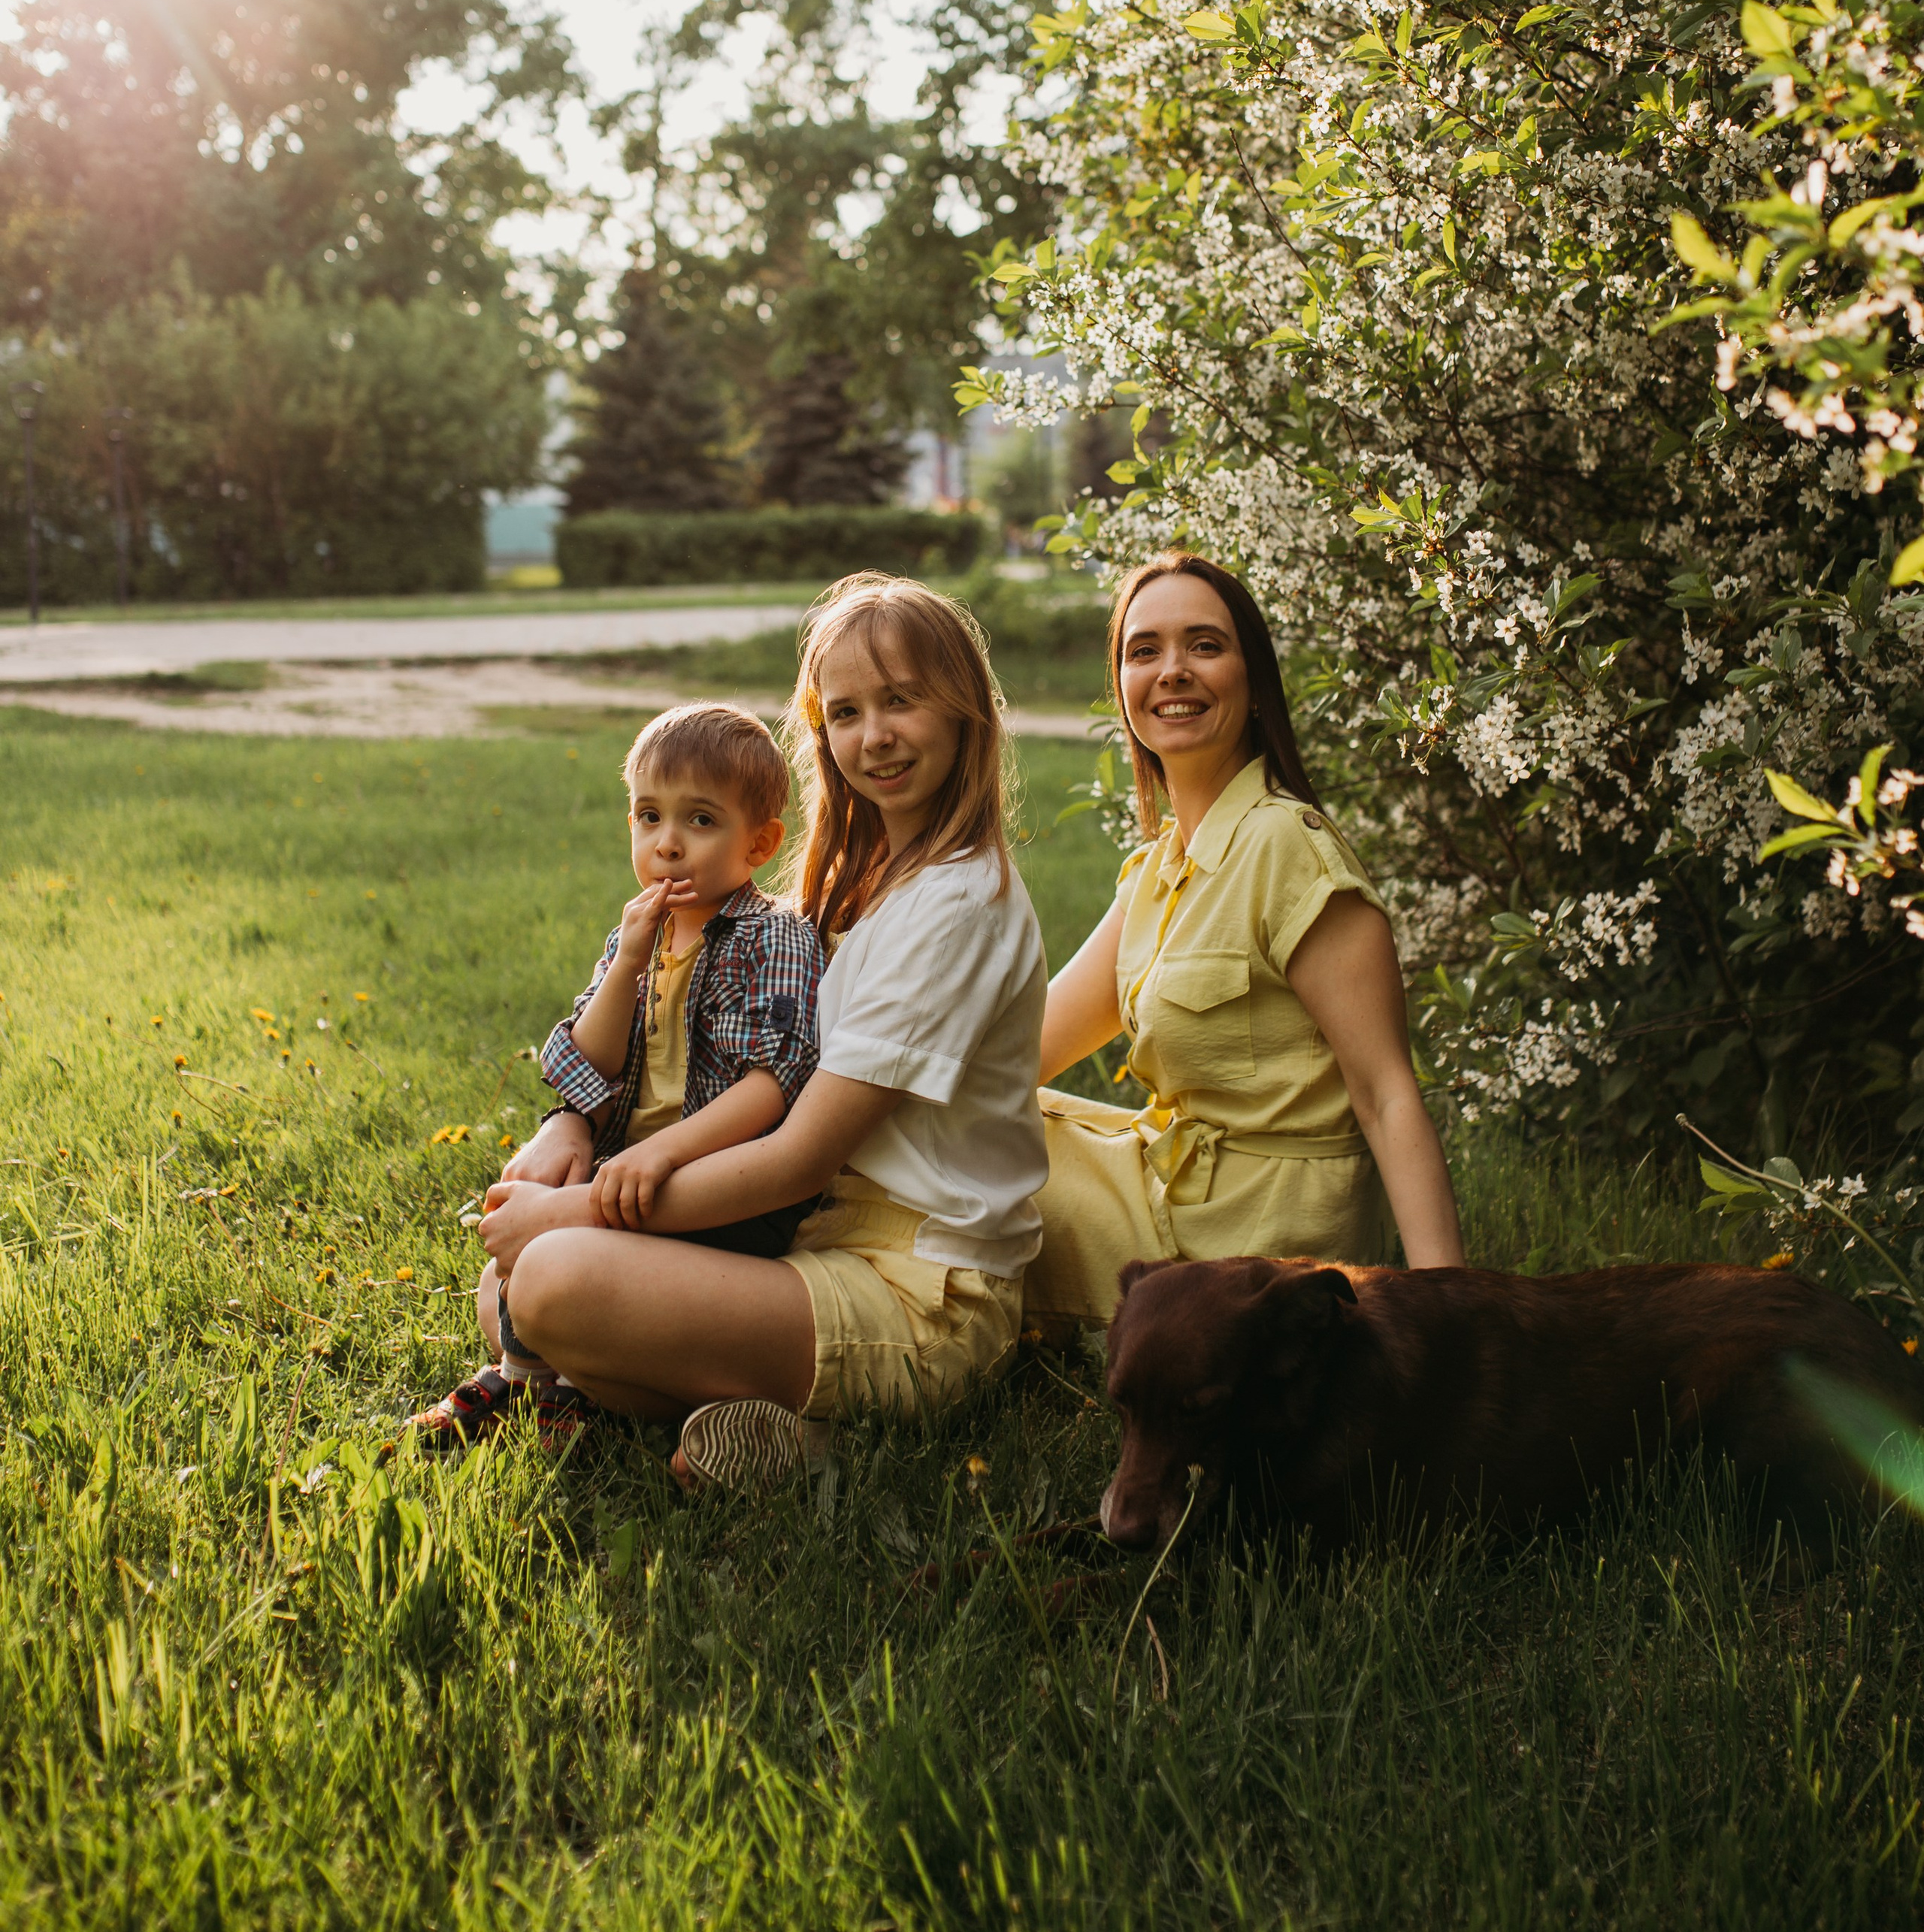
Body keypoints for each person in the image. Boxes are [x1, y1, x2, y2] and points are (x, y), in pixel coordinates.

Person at [464, 573, 1051, 1491]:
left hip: (919, 1295)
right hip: (808, 1242)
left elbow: (796, 1158)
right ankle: (744, 1412)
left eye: (901, 701)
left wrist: (576, 1212)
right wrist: (568, 1124)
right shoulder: (863, 875)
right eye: (846, 711)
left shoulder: (956, 904)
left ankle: (828, 1452)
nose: (874, 736)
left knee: (547, 1280)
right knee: (512, 1290)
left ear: (966, 710)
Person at [1026, 549, 1464, 1331]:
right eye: (1144, 650)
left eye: (1204, 645)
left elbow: (1387, 1095)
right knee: (952, 1121)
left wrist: (1456, 1319)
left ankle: (864, 1357)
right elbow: (1021, 1053)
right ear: (1121, 687)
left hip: (1253, 1254)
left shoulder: (1287, 848)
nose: (1172, 671)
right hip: (1174, 1198)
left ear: (1253, 679)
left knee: (949, 1149)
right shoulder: (1159, 869)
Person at [407, 701, 823, 1452]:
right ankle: (546, 1379)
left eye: (700, 821)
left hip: (718, 1185)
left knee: (543, 1268)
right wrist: (627, 962)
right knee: (507, 1264)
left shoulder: (774, 936)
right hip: (626, 1168)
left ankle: (533, 1382)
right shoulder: (636, 935)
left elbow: (771, 1087)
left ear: (759, 842)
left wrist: (661, 1154)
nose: (667, 844)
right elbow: (587, 1062)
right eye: (648, 817)